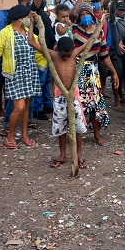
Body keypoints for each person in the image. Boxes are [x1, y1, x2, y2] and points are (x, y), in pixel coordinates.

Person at [0, 5, 40, 149]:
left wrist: (32, 22)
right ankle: (10, 136)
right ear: (20, 18)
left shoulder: (28, 32)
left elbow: (37, 46)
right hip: (15, 73)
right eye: (27, 17)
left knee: (27, 106)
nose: (28, 19)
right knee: (19, 107)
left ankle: (25, 135)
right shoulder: (5, 33)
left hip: (30, 71)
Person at [72, 2, 119, 146]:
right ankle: (75, 136)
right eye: (82, 15)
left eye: (87, 14)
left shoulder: (99, 31)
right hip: (76, 70)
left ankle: (97, 135)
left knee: (95, 104)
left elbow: (104, 54)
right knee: (77, 105)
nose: (85, 17)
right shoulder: (73, 30)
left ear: (92, 15)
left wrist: (114, 72)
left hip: (92, 71)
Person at [47, 37, 92, 170]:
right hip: (60, 96)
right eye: (64, 55)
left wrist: (100, 24)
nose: (66, 58)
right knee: (60, 126)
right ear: (58, 50)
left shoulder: (74, 53)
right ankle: (62, 154)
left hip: (74, 95)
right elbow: (32, 42)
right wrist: (32, 22)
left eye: (68, 55)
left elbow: (89, 42)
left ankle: (78, 154)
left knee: (78, 126)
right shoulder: (54, 55)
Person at [31, 0, 55, 120]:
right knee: (40, 81)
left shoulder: (43, 13)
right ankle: (37, 108)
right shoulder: (34, 8)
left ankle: (47, 104)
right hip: (40, 52)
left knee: (47, 80)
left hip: (49, 51)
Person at [108, 0, 125, 111]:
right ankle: (117, 100)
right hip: (116, 53)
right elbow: (111, 12)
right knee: (117, 77)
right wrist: (114, 0)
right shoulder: (113, 21)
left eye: (123, 10)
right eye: (119, 10)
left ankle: (122, 95)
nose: (121, 12)